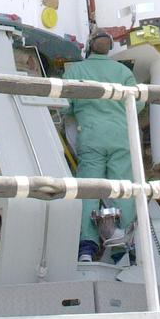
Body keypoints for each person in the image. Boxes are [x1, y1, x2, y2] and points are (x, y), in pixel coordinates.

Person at [62, 29, 140, 262]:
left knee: (89, 190)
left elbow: (65, 105)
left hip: (91, 137)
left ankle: (87, 247)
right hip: (121, 138)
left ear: (89, 46)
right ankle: (121, 249)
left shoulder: (75, 71)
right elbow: (138, 105)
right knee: (123, 190)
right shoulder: (124, 72)